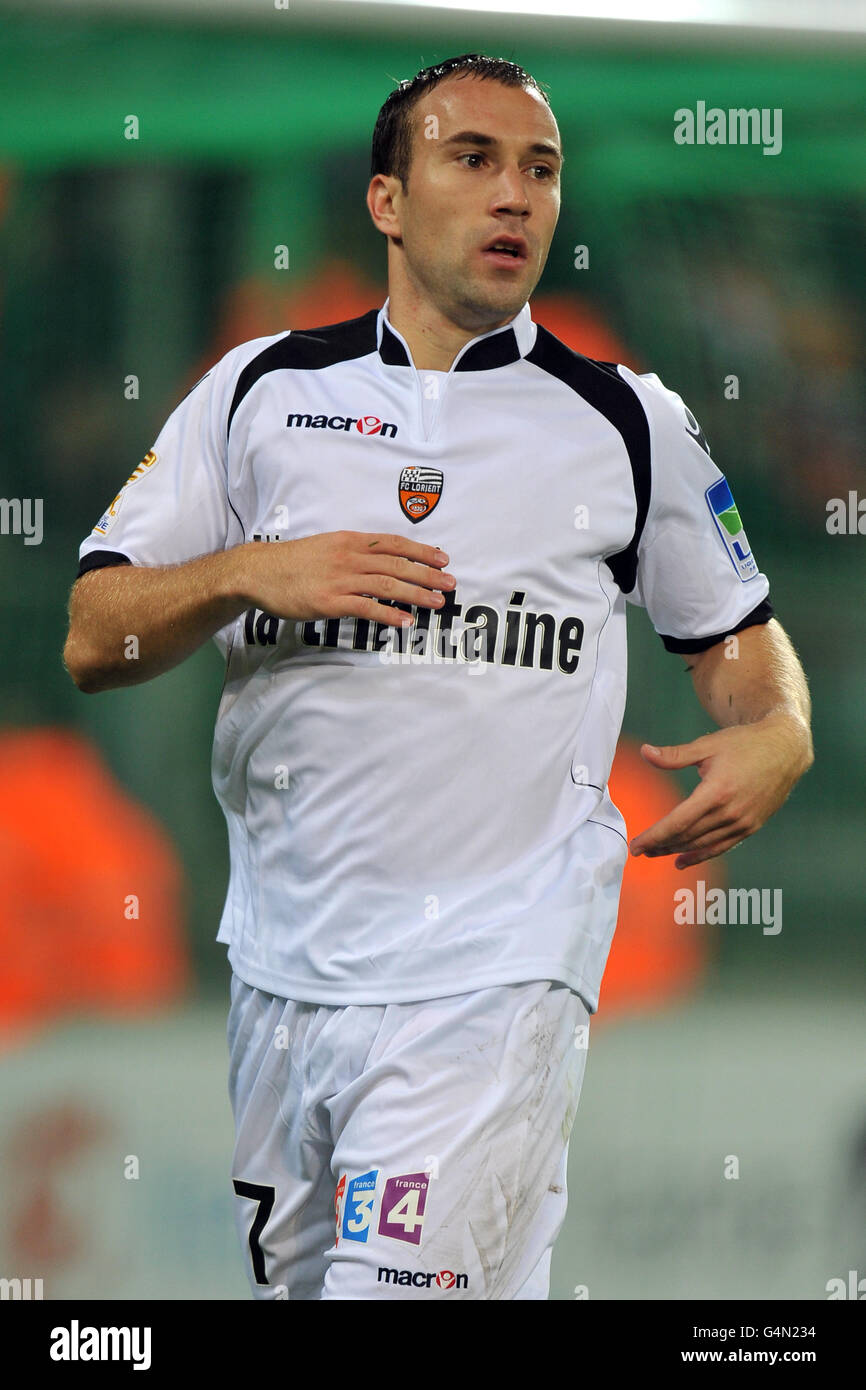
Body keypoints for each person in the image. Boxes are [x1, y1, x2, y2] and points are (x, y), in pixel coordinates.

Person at [63, 53, 813, 1300]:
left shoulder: (626, 422)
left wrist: (775, 728)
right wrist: (250, 573)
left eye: (539, 169)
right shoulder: (257, 392)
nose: (514, 196)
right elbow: (96, 636)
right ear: (386, 203)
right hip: (284, 974)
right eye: (472, 160)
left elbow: (737, 646)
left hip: (494, 972)